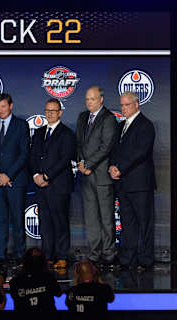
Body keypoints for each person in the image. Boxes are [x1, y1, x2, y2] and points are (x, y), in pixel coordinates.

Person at [109, 91, 156, 271]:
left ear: (137, 105)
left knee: (144, 223)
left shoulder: (146, 125)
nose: (123, 108)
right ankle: (128, 258)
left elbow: (140, 152)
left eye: (127, 105)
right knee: (128, 223)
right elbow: (115, 151)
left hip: (140, 184)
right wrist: (112, 166)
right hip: (123, 184)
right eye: (121, 105)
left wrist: (121, 168)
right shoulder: (121, 127)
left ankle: (145, 260)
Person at [0, 93, 30, 264]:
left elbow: (24, 154)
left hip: (15, 181)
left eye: (3, 106)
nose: (0, 110)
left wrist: (8, 175)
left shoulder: (21, 125)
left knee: (18, 221)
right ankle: (1, 255)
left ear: (11, 106)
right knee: (0, 221)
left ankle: (20, 255)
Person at [30, 98, 75, 269]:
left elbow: (64, 159)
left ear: (60, 112)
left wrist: (46, 176)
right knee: (45, 222)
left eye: (53, 111)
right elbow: (32, 156)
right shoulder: (39, 132)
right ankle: (48, 256)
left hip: (59, 186)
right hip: (41, 186)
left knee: (60, 221)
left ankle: (62, 256)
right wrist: (36, 175)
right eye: (47, 110)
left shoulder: (67, 134)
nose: (49, 114)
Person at [75, 86, 118, 267]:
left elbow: (106, 146)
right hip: (86, 175)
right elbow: (78, 143)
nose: (89, 102)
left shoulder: (109, 118)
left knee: (106, 217)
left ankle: (109, 253)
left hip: (100, 175)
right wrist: (80, 162)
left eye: (92, 99)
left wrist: (89, 165)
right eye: (87, 99)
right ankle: (94, 252)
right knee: (91, 217)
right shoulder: (82, 117)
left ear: (101, 99)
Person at [9, 248, 60, 315]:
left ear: (24, 262)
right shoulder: (48, 278)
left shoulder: (15, 281)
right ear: (44, 263)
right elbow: (58, 294)